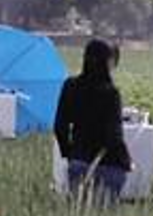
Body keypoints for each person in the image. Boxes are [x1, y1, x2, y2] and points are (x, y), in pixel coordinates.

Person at [54, 39, 132, 206]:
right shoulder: (110, 93)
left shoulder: (70, 86)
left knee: (79, 214)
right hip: (109, 166)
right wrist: (126, 161)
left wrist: (69, 153)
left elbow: (59, 126)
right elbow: (114, 136)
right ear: (108, 61)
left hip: (78, 162)